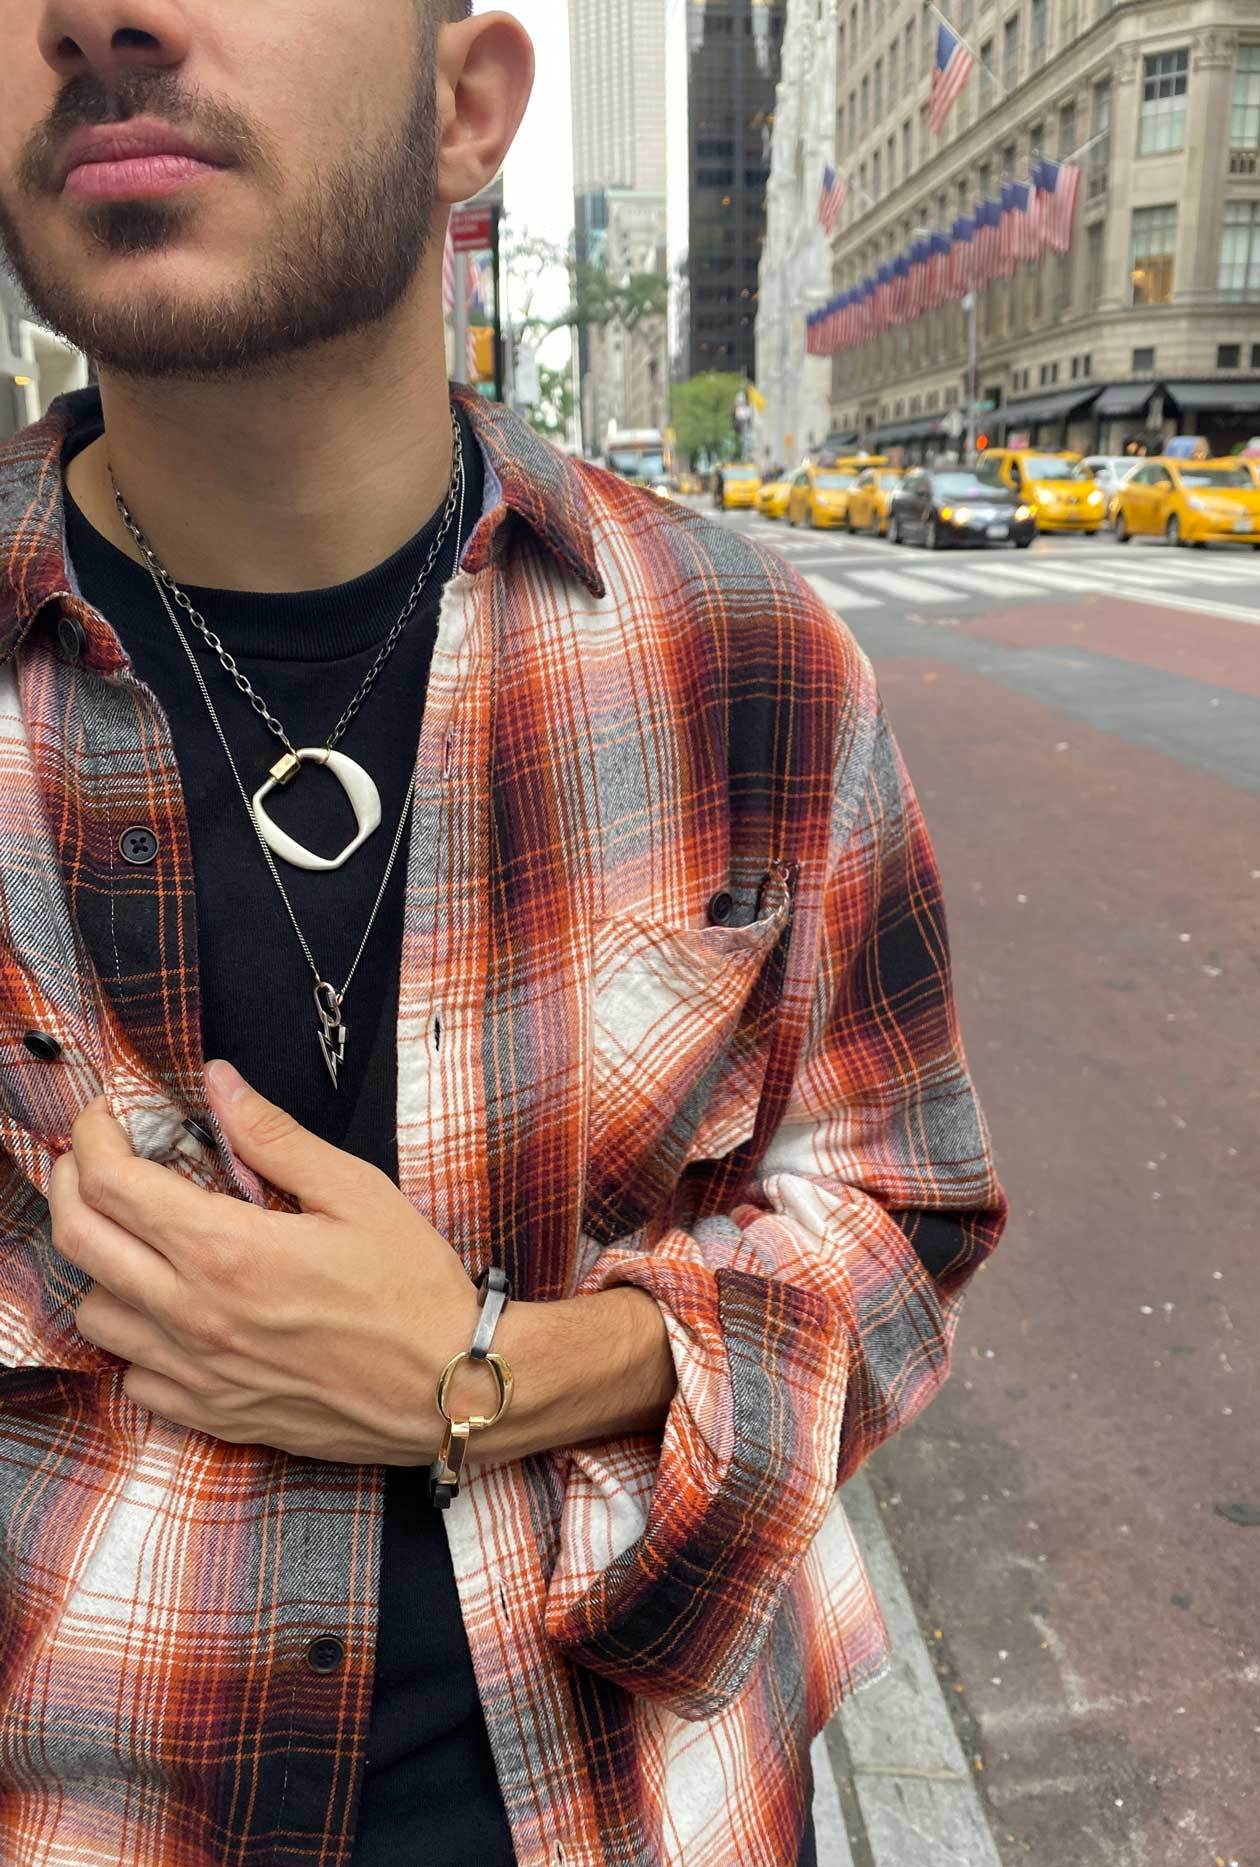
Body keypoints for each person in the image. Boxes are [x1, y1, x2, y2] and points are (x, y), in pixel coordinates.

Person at [0, 3, 1006, 1864]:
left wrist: (487, 1371)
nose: (96, 14)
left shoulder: (742, 660)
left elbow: (900, 1213)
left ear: (464, 112)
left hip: (640, 1802)